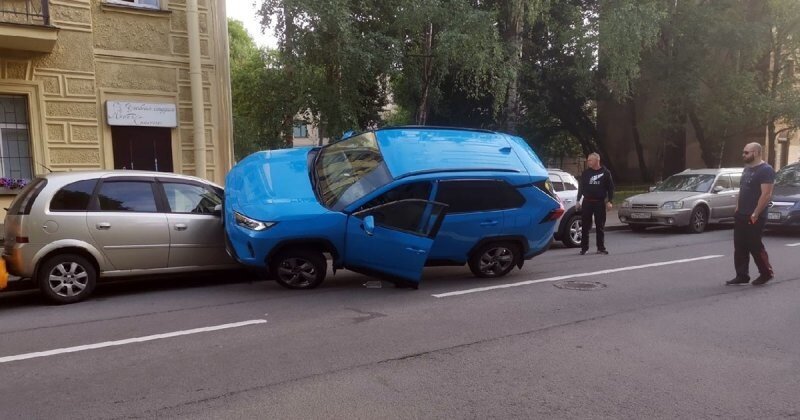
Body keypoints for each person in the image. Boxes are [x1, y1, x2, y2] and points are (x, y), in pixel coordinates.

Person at [726, 142, 775, 286]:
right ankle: (742, 275)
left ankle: (766, 273)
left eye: (747, 152)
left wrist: (756, 213)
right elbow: (742, 189)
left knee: (755, 245)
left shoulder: (766, 170)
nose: (744, 155)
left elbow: (766, 194)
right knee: (740, 245)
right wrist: (737, 207)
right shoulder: (747, 169)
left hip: (755, 215)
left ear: (757, 153)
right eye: (743, 152)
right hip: (741, 214)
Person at [576, 152, 615, 255]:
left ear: (597, 160)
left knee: (600, 226)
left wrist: (610, 201)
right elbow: (581, 188)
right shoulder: (586, 173)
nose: (588, 162)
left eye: (590, 160)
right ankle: (584, 248)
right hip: (587, 202)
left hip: (599, 203)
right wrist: (578, 200)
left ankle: (600, 248)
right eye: (588, 160)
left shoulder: (606, 173)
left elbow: (610, 188)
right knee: (585, 226)